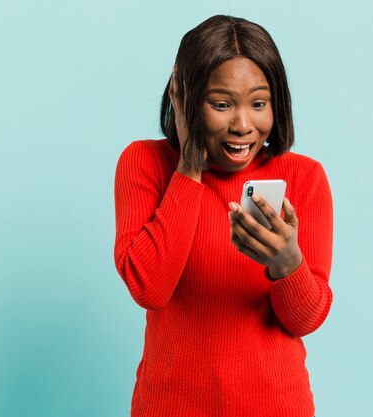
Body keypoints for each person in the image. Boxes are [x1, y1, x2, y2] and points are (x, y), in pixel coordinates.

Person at [113, 15, 332, 417]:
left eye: (259, 104)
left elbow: (305, 320)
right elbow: (150, 289)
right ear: (186, 97)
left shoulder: (305, 177)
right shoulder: (144, 163)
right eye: (222, 104)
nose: (243, 125)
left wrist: (287, 264)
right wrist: (188, 167)